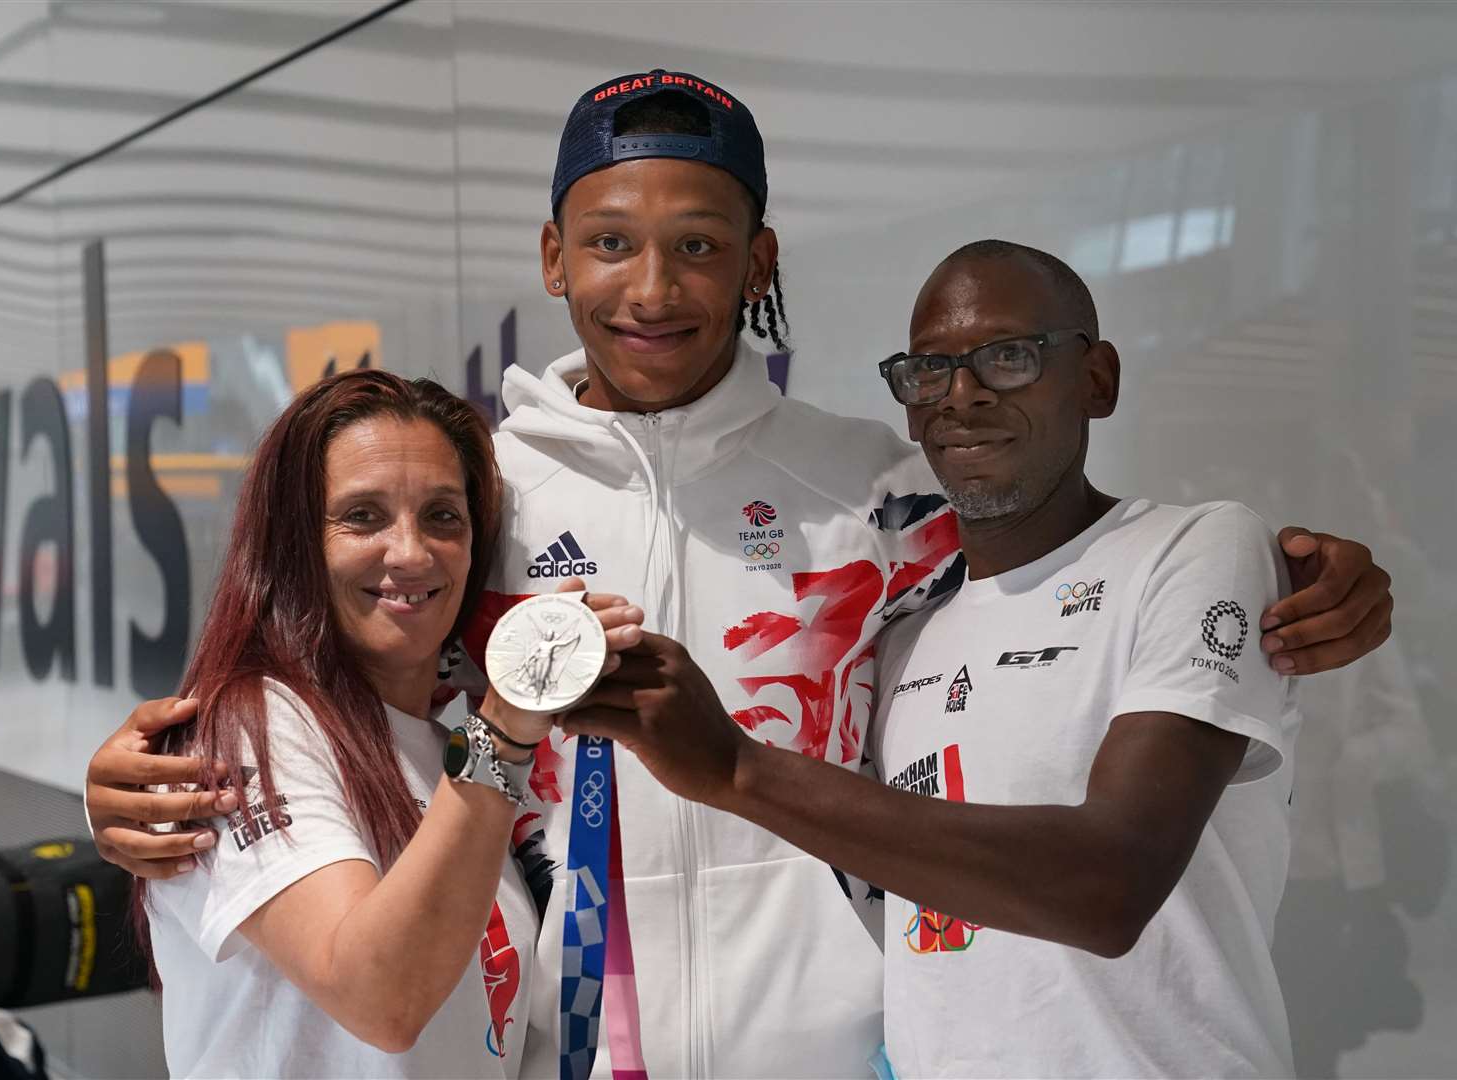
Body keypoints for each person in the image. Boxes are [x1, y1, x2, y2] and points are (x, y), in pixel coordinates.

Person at [86, 72, 1394, 1078]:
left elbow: (1051, 561)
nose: (651, 288)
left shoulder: (875, 489)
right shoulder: (474, 492)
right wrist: (127, 777)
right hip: (563, 1049)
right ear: (552, 257)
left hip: (842, 1049)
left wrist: (1303, 573)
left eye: (700, 247)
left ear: (757, 262)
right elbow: (330, 660)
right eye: (607, 244)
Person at [558, 240, 1377, 1078]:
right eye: (927, 372)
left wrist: (735, 768)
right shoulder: (906, 629)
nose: (962, 395)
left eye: (1010, 358)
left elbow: (1108, 887)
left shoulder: (1192, 548)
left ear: (1097, 380)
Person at [136, 369, 642, 1078]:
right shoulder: (249, 726)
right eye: (363, 516)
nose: (410, 553)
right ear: (294, 543)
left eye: (442, 516)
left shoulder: (445, 749)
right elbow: (382, 1001)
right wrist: (507, 723)